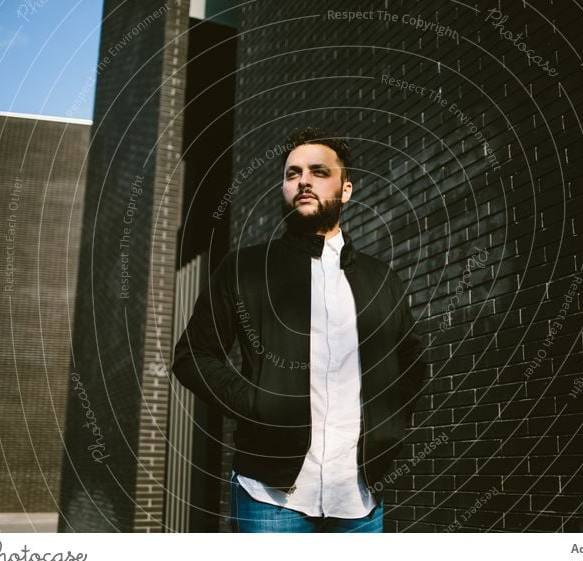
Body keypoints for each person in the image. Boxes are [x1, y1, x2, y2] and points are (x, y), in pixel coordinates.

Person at [172, 127, 426, 533]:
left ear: (345, 190)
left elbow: (412, 362)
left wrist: (387, 425)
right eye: (292, 174)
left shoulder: (382, 279)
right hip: (269, 498)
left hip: (359, 498)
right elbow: (193, 357)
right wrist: (256, 404)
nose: (303, 180)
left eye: (318, 171)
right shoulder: (246, 269)